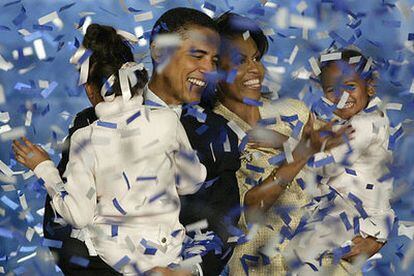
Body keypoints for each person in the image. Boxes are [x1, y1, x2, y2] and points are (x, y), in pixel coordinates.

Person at [13, 23, 206, 275]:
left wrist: (45, 168)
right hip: (168, 252)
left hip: (117, 260)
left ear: (90, 90)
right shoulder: (167, 120)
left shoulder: (86, 138)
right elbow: (192, 182)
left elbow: (78, 215)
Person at [146, 8, 241, 275]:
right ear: (158, 51)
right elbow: (65, 228)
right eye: (197, 55)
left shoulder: (218, 134)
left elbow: (224, 223)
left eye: (214, 60)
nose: (208, 69)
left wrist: (188, 272)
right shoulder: (95, 123)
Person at [283, 49, 394, 274]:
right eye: (332, 90)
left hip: (356, 211)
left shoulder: (366, 123)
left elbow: (330, 165)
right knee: (299, 253)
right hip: (342, 206)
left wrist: (307, 150)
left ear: (369, 86)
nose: (342, 96)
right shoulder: (346, 120)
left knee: (300, 254)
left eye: (350, 87)